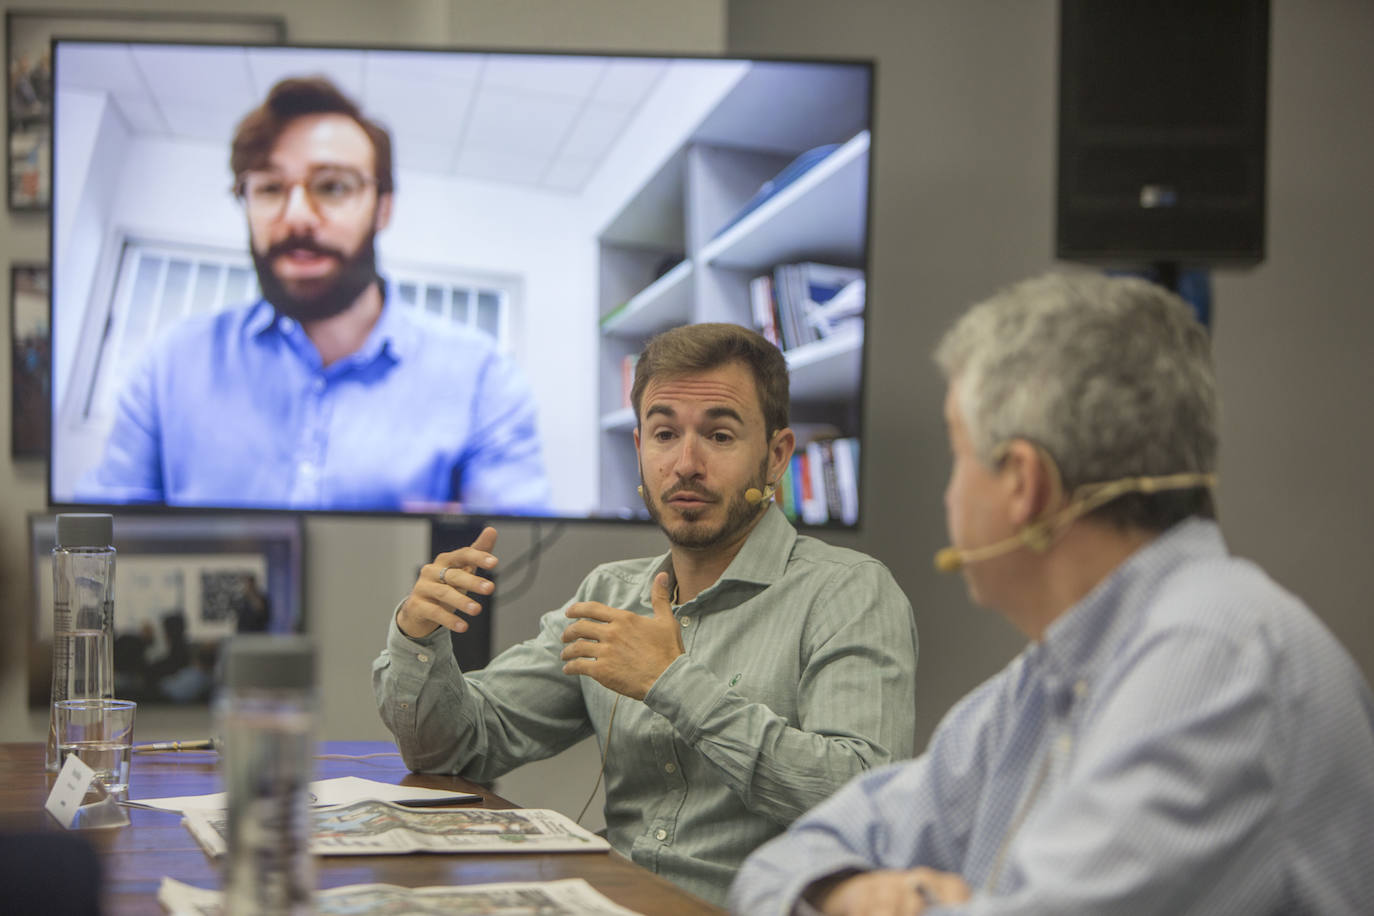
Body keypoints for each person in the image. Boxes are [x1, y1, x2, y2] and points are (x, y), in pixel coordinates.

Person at [729, 272, 1374, 915]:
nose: (950, 494)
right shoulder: (1049, 677)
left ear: (1024, 484)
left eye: (959, 454)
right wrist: (843, 891)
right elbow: (778, 867)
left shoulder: (1212, 663)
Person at [373, 322, 919, 905]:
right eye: (664, 434)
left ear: (776, 456)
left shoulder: (851, 592)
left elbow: (861, 801)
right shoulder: (610, 592)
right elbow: (460, 746)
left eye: (720, 435)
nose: (685, 463)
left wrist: (674, 683)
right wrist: (418, 634)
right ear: (640, 450)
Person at [78, 76, 549, 513]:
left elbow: (519, 561)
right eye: (269, 187)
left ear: (382, 208)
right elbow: (98, 551)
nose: (298, 215)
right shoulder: (170, 364)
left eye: (333, 186)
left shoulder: (482, 378)